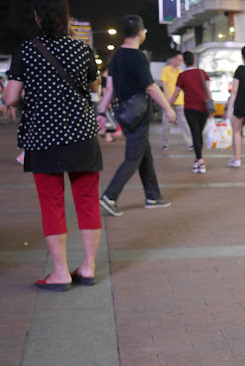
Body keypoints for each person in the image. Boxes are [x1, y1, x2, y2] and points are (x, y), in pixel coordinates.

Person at [4, 0, 103, 291]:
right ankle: (88, 267)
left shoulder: (26, 51)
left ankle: (60, 273)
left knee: (52, 206)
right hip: (82, 136)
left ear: (37, 17)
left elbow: (10, 98)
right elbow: (93, 87)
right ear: (67, 17)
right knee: (87, 202)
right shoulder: (82, 49)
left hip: (44, 139)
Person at [97, 14, 176, 216]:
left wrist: (101, 112)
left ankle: (153, 196)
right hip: (139, 114)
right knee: (133, 158)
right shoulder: (137, 56)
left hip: (124, 112)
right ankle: (109, 196)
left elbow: (110, 90)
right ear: (140, 33)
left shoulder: (116, 56)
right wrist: (168, 108)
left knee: (144, 154)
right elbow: (150, 87)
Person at [168, 51, 212, 173]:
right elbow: (208, 90)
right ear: (194, 61)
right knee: (199, 134)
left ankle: (200, 161)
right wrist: (211, 106)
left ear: (184, 63)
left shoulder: (182, 76)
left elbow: (176, 93)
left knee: (195, 133)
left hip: (190, 108)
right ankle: (198, 160)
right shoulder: (202, 73)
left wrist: (168, 105)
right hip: (203, 108)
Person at [159, 51, 193, 152]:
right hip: (167, 101)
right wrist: (167, 98)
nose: (180, 62)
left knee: (183, 123)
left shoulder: (180, 72)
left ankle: (190, 143)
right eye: (179, 59)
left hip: (179, 101)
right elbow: (164, 85)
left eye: (181, 60)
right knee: (166, 123)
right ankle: (165, 143)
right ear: (173, 59)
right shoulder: (166, 69)